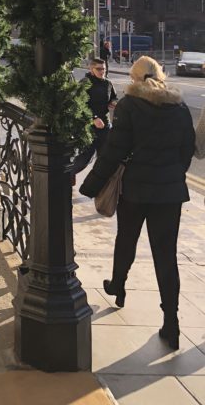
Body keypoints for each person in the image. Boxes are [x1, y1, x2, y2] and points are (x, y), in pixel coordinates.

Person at [80, 56, 195, 351]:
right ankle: (172, 322)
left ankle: (118, 285)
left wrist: (91, 184)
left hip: (136, 189)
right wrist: (171, 175)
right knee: (165, 256)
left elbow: (114, 151)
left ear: (135, 78)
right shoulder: (178, 106)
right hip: (169, 193)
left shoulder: (130, 105)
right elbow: (186, 151)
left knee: (127, 238)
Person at [72, 57, 117, 178]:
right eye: (99, 69)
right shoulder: (85, 82)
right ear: (91, 69)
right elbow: (80, 104)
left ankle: (101, 188)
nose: (102, 72)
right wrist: (93, 118)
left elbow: (114, 97)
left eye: (104, 69)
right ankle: (65, 177)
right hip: (88, 126)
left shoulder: (108, 83)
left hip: (105, 125)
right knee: (85, 158)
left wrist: (113, 102)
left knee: (105, 159)